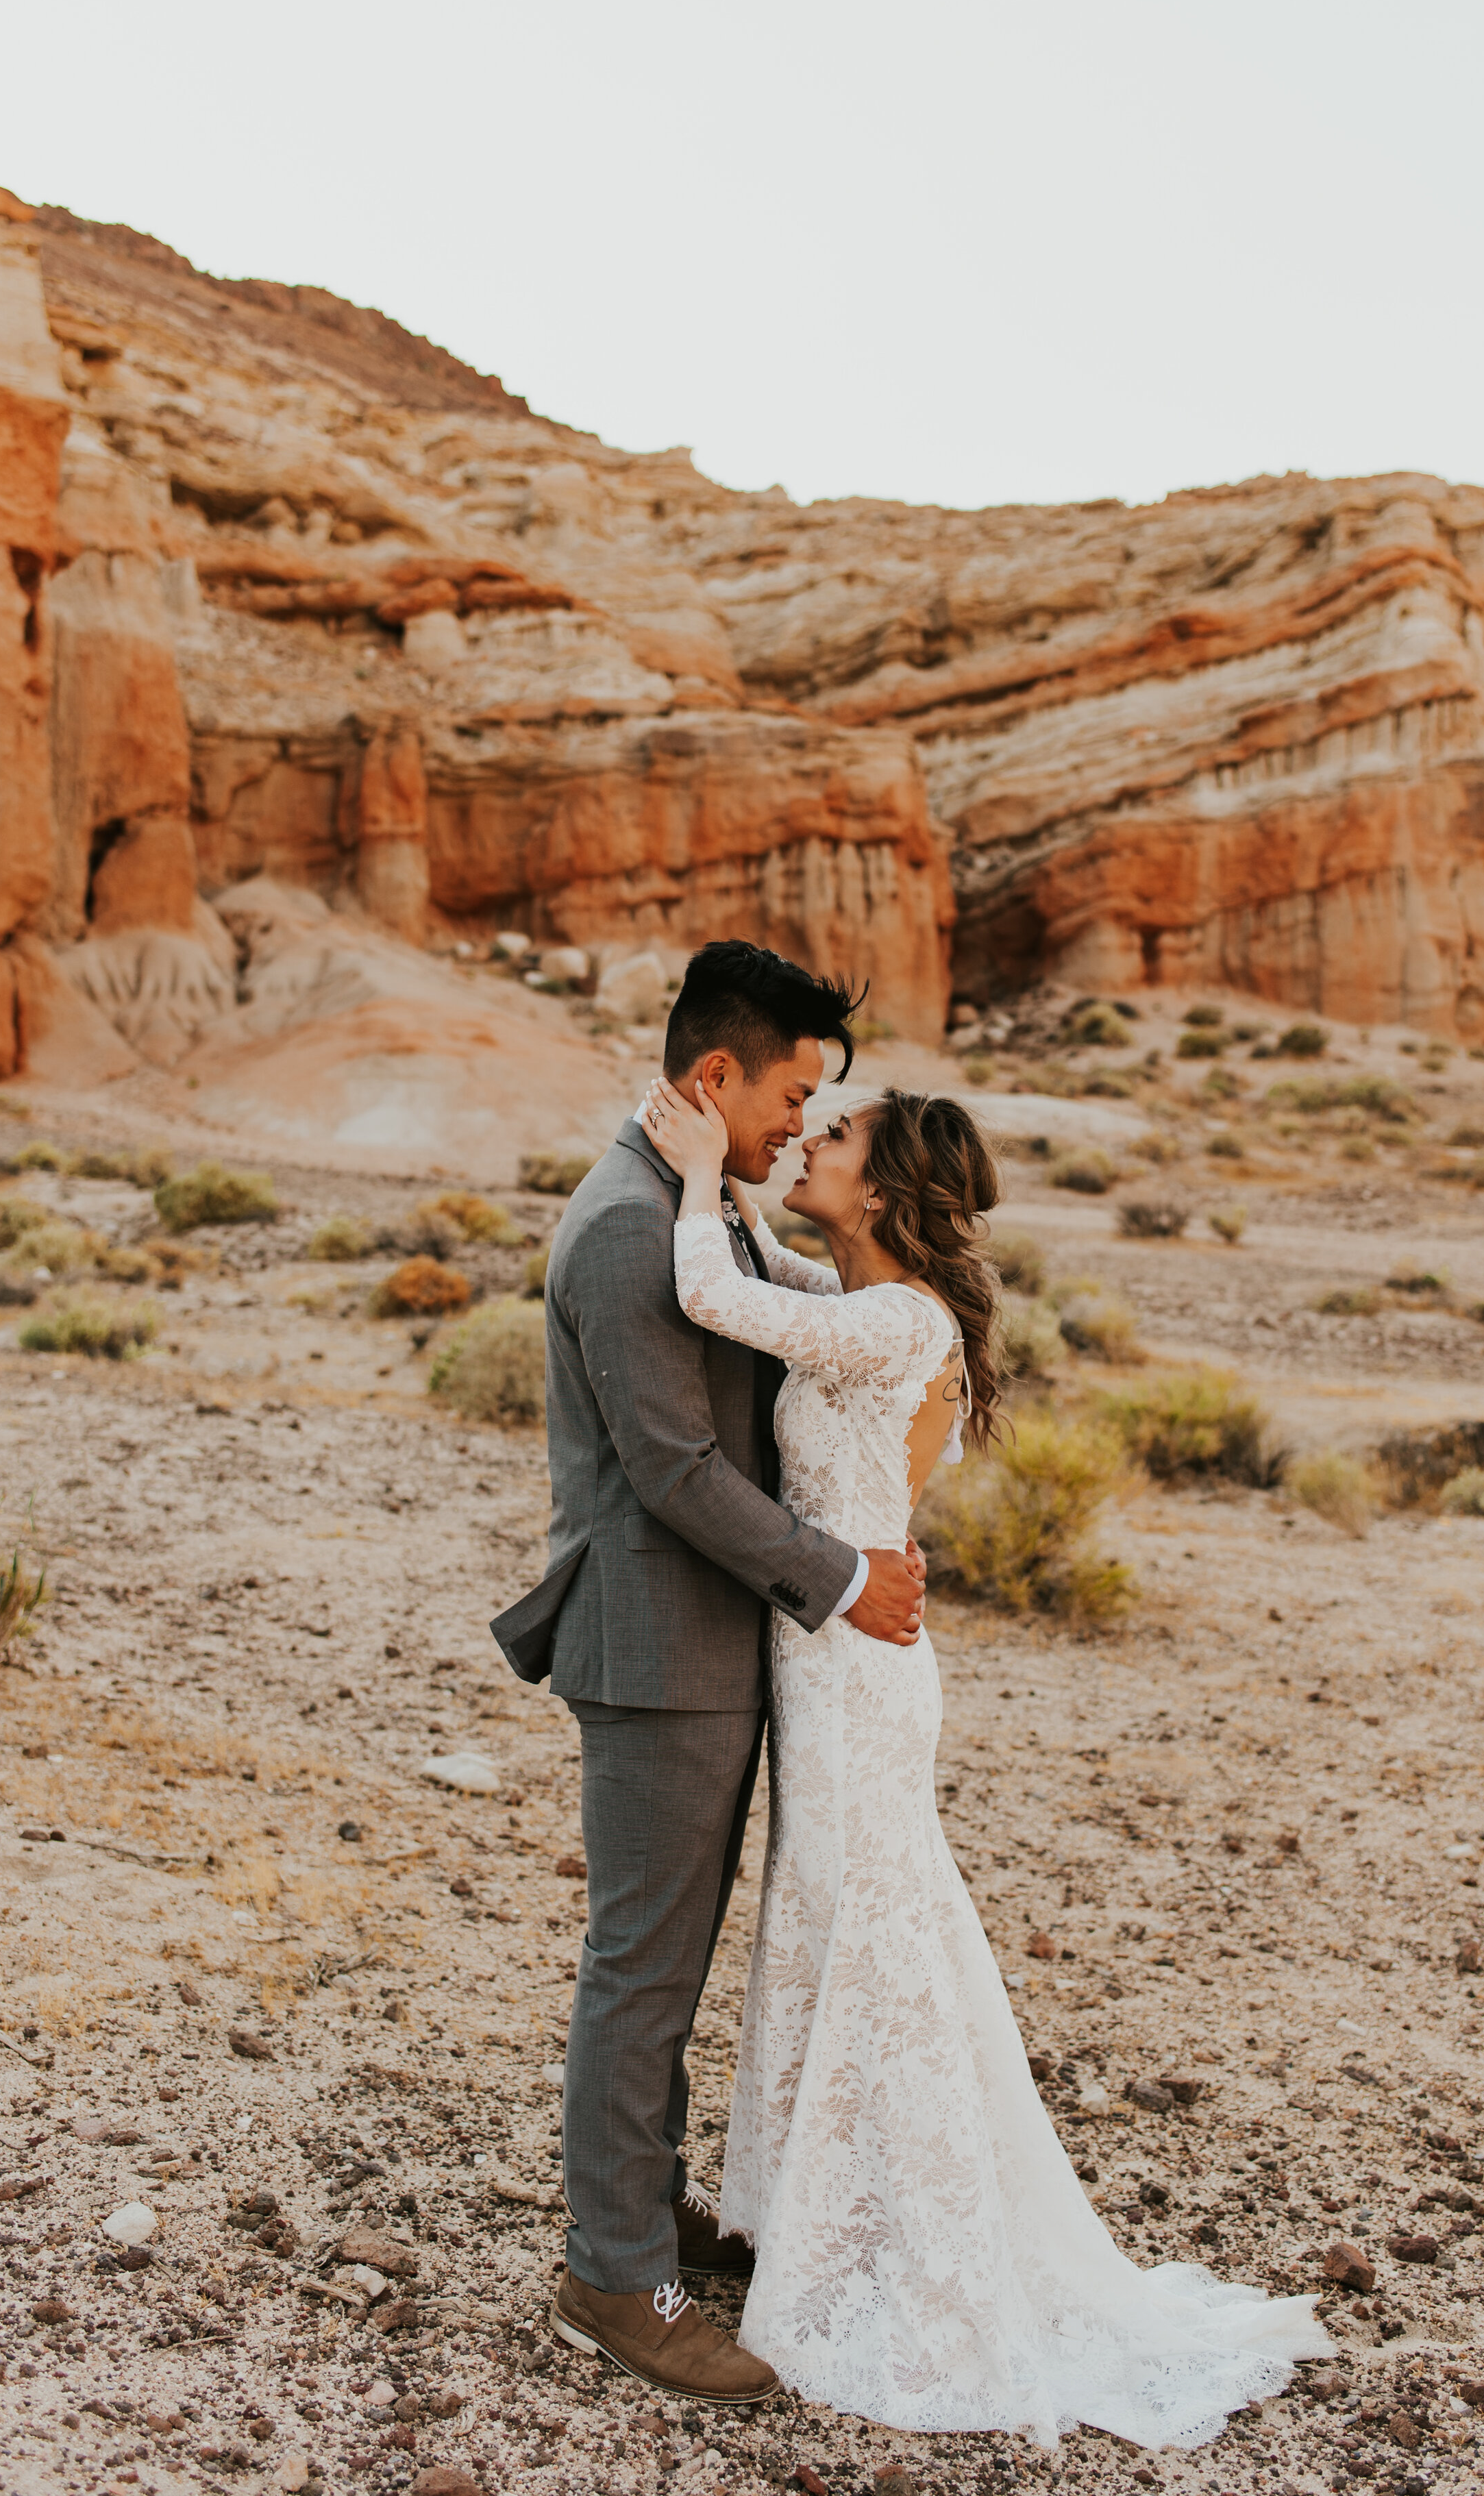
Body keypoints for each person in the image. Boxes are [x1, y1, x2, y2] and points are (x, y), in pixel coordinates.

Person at [635, 1065, 1333, 2451]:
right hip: (839, 1661)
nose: (807, 1142)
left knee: (869, 1944)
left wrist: (700, 1169)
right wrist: (720, 1187)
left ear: (881, 1190)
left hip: (856, 1679)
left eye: (828, 1138)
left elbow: (718, 1296)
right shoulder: (869, 1305)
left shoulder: (893, 1320)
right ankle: (840, 2218)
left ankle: (911, 2257)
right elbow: (762, 1267)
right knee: (843, 1932)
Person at [489, 941, 926, 2408]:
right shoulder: (625, 1224)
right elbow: (672, 1469)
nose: (800, 1123)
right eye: (792, 1091)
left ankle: (638, 2209)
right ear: (713, 1074)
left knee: (664, 1962)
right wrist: (845, 1576)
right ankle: (616, 2279)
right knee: (641, 1965)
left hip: (706, 1641)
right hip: (655, 1644)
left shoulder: (699, 1205)